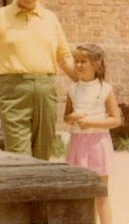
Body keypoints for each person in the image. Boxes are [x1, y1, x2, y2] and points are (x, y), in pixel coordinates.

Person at [0, 0, 76, 160]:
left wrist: (88, 83)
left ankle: (40, 191)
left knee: (43, 150)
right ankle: (24, 190)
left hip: (45, 90)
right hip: (13, 91)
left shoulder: (50, 18)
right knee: (18, 152)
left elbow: (64, 57)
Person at [64, 44, 121, 224]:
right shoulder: (73, 89)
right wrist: (72, 117)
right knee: (81, 193)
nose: (78, 65)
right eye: (76, 61)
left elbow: (116, 120)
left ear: (96, 65)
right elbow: (66, 117)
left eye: (83, 61)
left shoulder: (105, 89)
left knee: (100, 193)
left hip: (98, 144)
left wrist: (91, 123)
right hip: (78, 144)